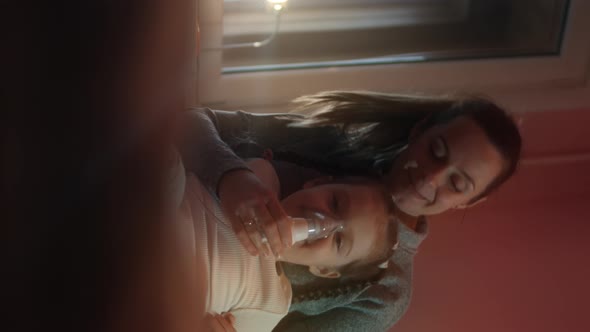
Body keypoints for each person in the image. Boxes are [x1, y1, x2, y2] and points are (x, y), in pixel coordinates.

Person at [176, 90, 522, 331]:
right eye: (437, 150)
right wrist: (230, 175)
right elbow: (189, 122)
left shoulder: (383, 294)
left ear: (468, 202)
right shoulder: (326, 139)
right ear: (420, 130)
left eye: (457, 184)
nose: (431, 177)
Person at [174, 156, 398, 332]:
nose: (324, 223)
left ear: (323, 270)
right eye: (335, 203)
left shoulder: (271, 304)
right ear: (316, 184)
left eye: (339, 241)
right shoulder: (259, 177)